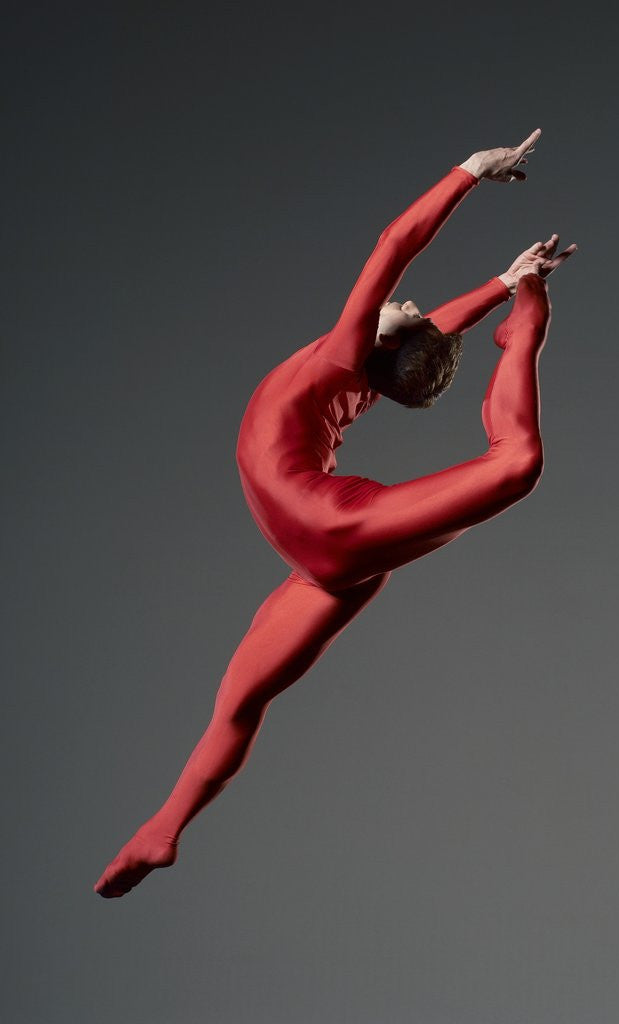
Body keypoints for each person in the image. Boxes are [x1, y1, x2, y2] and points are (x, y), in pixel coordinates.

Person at [94, 128, 577, 898]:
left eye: (406, 314)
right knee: (239, 702)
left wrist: (469, 173)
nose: (407, 304)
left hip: (332, 527)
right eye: (411, 312)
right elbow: (425, 329)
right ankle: (163, 830)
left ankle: (525, 339)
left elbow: (394, 245)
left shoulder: (341, 363)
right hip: (327, 563)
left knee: (517, 464)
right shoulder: (359, 373)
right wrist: (501, 278)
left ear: (378, 347)